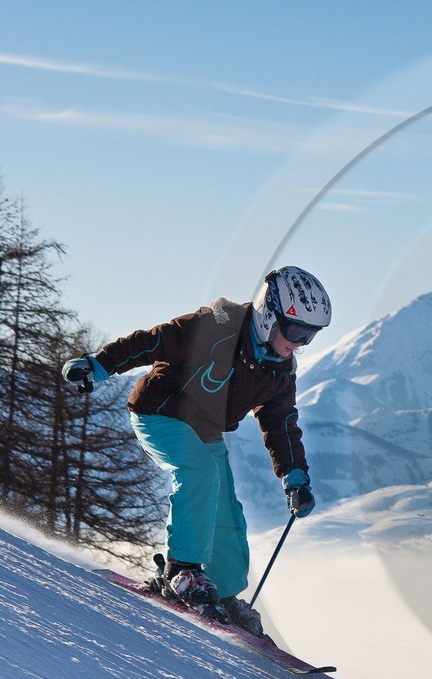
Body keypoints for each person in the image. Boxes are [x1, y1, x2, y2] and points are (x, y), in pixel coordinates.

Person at [61, 266, 330, 637]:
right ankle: (183, 571)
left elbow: (281, 421)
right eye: (296, 332)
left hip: (204, 430)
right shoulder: (216, 329)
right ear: (269, 315)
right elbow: (151, 342)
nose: (299, 344)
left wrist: (294, 474)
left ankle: (223, 592)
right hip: (160, 413)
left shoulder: (279, 370)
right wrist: (98, 365)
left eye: (310, 336)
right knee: (199, 472)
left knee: (225, 508)